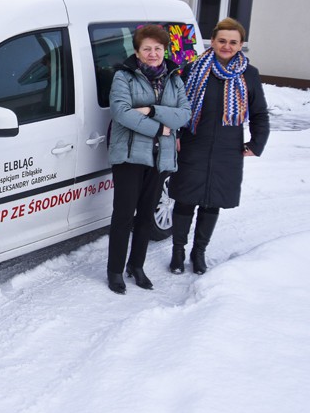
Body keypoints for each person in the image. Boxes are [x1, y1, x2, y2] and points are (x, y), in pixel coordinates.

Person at [168, 18, 269, 275]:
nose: (226, 46)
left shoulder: (249, 74)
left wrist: (257, 143)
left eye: (233, 42)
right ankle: (178, 251)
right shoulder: (192, 69)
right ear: (212, 41)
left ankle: (198, 252)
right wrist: (175, 134)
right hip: (193, 142)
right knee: (185, 200)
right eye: (222, 40)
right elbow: (177, 106)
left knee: (213, 202)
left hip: (228, 148)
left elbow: (259, 113)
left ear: (241, 45)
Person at [106, 25, 192, 294]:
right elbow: (121, 113)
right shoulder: (124, 77)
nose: (153, 53)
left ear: (164, 50)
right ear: (137, 51)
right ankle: (115, 271)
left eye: (158, 48)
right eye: (147, 48)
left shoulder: (174, 78)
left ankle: (137, 266)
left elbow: (184, 114)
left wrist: (151, 109)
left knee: (145, 216)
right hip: (130, 157)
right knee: (123, 216)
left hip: (159, 157)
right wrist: (159, 128)